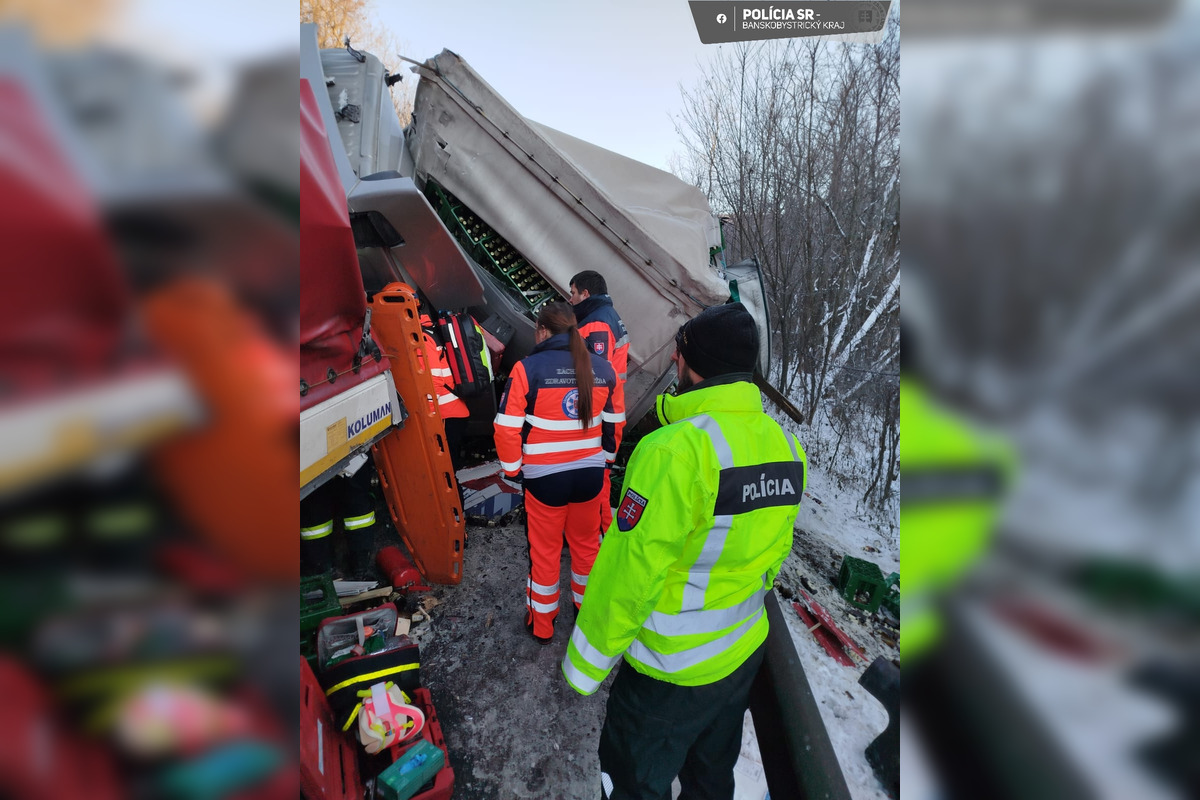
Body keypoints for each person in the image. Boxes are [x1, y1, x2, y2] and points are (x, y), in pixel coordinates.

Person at [561, 302, 807, 800]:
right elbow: (774, 555)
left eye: (680, 352)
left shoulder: (673, 452)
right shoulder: (786, 447)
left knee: (632, 786)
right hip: (740, 654)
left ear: (694, 364)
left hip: (668, 675)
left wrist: (585, 665)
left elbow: (630, 573)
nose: (674, 360)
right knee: (710, 780)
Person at [493, 302, 619, 644]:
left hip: (544, 479)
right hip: (590, 476)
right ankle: (587, 615)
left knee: (545, 552)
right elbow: (613, 424)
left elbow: (506, 427)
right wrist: (605, 460)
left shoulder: (527, 368)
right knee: (586, 548)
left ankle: (542, 625)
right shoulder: (603, 368)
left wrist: (512, 470)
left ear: (543, 331)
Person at [567, 270, 629, 537]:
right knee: (595, 480)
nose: (570, 299)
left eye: (573, 293)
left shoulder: (597, 324)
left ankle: (605, 542)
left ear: (585, 294)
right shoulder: (606, 316)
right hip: (607, 412)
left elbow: (597, 378)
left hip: (600, 416)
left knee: (598, 485)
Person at [420, 311, 470, 471]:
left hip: (445, 415)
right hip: (455, 411)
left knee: (446, 471)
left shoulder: (423, 339)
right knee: (450, 468)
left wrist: (429, 414)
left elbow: (435, 379)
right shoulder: (433, 332)